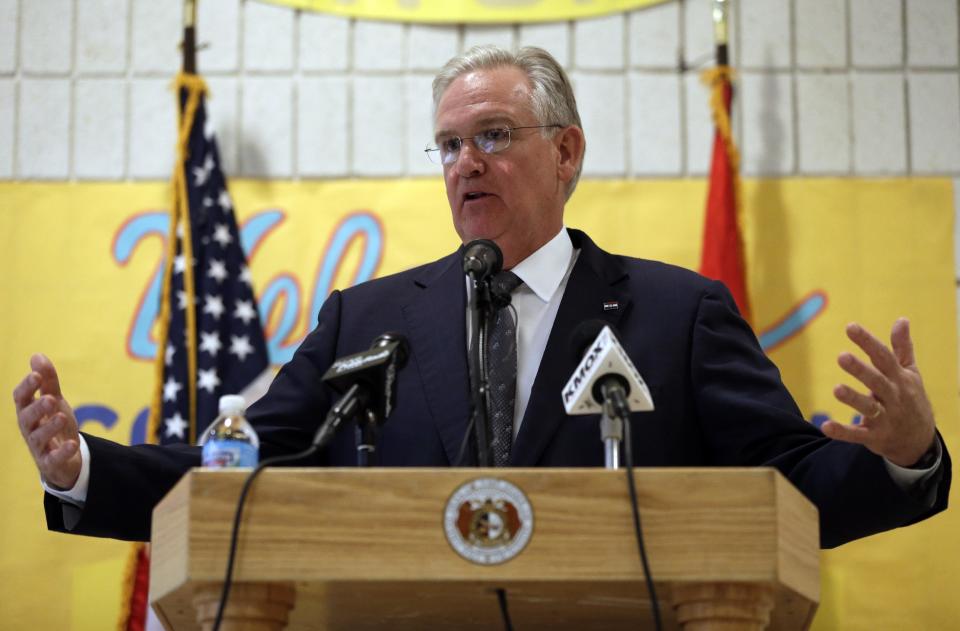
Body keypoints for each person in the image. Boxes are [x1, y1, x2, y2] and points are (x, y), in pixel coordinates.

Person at [14, 46, 949, 549]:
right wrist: (81, 470)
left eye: (493, 135)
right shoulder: (366, 319)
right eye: (449, 146)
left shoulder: (679, 315)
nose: (466, 164)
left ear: (566, 152)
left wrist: (904, 457)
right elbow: (237, 465)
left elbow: (792, 486)